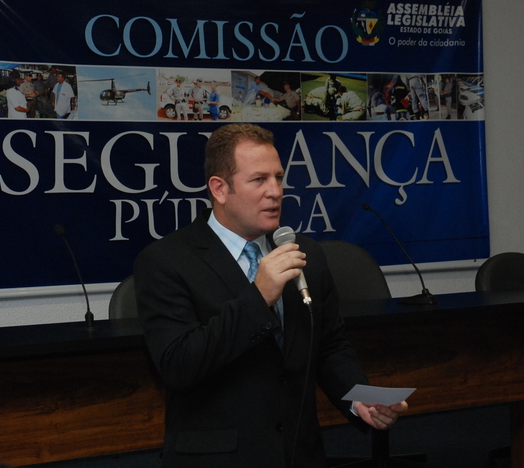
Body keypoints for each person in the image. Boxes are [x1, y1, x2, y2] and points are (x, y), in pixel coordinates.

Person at [134, 124, 407, 468]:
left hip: (299, 452)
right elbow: (179, 366)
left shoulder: (303, 253)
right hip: (219, 458)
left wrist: (360, 398)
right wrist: (259, 296)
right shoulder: (166, 260)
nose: (275, 191)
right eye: (259, 180)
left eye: (278, 177)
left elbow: (328, 345)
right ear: (220, 189)